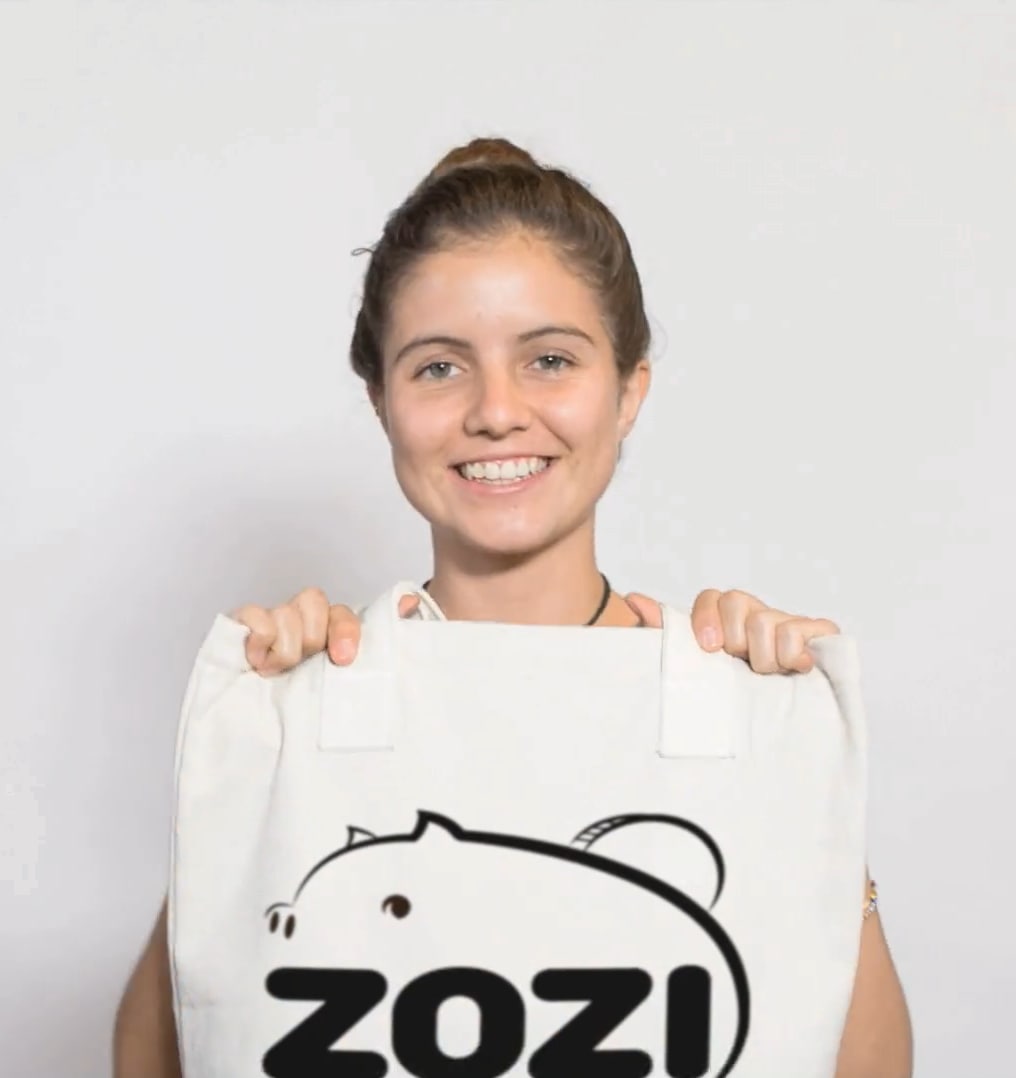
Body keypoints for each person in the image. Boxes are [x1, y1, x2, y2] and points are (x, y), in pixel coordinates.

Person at [113, 137, 912, 1077]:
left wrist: (800, 777)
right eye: (439, 368)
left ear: (628, 392)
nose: (496, 411)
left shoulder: (745, 705)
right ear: (381, 402)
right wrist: (253, 766)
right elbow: (170, 1054)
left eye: (550, 360)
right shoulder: (297, 704)